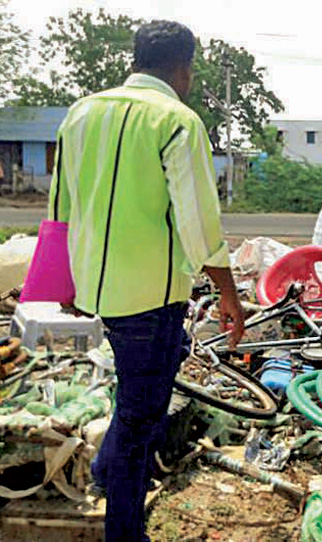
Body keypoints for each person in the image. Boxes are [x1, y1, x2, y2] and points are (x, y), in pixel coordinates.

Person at [48, 20, 245, 542]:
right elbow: (199, 222)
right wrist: (228, 294)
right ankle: (124, 530)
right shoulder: (177, 120)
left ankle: (105, 470)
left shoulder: (81, 113)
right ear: (184, 67)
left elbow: (60, 208)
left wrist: (64, 283)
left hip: (98, 289)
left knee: (141, 386)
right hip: (149, 297)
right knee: (141, 418)